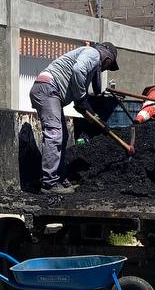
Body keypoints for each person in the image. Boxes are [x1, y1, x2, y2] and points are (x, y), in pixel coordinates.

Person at [29, 41, 119, 194]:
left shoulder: (89, 62)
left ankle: (58, 177)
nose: (105, 70)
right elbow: (78, 71)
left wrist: (97, 122)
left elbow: (80, 104)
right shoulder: (93, 53)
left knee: (62, 137)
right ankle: (49, 184)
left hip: (52, 92)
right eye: (108, 65)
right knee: (55, 135)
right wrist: (82, 98)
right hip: (48, 89)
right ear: (107, 58)